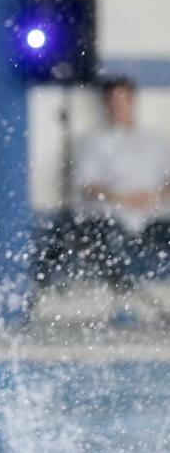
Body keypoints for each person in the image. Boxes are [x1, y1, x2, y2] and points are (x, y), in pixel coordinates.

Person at [67, 76, 170, 324]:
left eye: (124, 100)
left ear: (133, 102)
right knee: (110, 239)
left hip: (152, 213)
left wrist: (152, 197)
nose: (119, 106)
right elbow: (86, 185)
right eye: (114, 100)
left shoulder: (153, 141)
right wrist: (121, 198)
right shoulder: (92, 142)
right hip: (110, 215)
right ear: (106, 104)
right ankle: (125, 301)